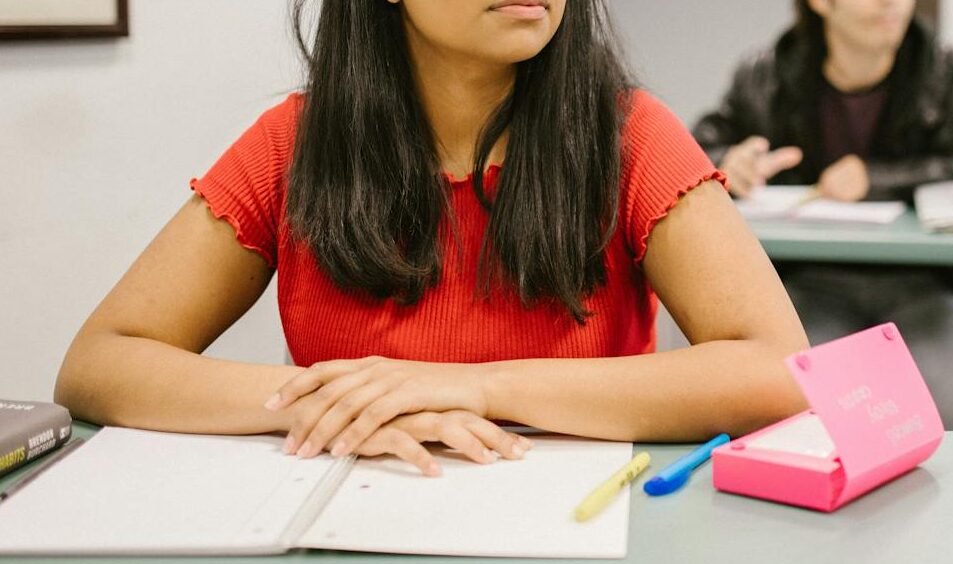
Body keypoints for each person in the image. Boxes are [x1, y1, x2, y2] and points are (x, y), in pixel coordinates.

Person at [54, 0, 808, 476]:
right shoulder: (295, 142)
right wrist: (340, 403)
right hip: (346, 541)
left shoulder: (631, 136)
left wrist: (477, 388)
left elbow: (779, 369)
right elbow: (103, 361)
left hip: (573, 551)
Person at [693, 0, 953, 429]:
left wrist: (879, 179)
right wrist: (730, 163)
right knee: (790, 409)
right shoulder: (766, 75)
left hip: (935, 280)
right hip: (807, 282)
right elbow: (695, 155)